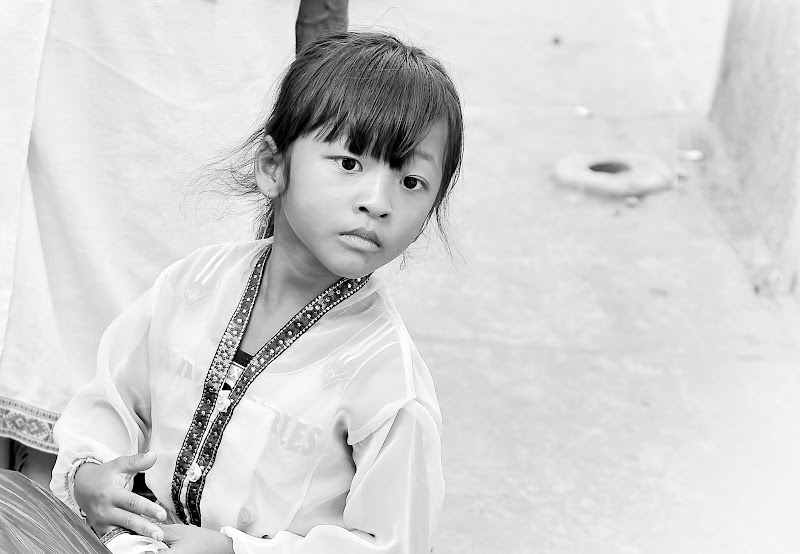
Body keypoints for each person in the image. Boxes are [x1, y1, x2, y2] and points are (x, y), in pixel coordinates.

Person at [25, 30, 461, 553]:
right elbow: (113, 401)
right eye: (350, 163)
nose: (378, 201)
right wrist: (90, 474)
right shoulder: (193, 285)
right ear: (273, 167)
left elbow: (392, 545)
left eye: (411, 182)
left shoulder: (389, 382)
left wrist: (234, 551)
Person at [0, 0, 348, 487]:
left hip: (222, 58)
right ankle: (55, 469)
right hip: (72, 46)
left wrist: (329, 100)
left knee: (208, 247)